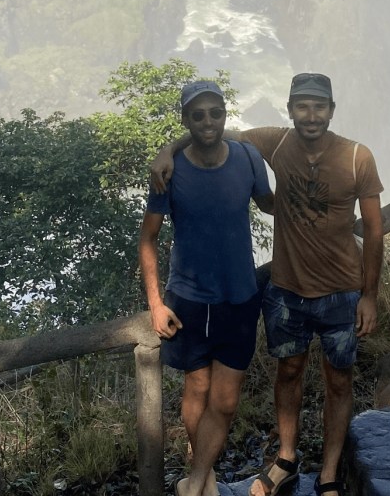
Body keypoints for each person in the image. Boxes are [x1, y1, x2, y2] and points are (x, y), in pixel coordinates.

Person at [150, 72, 384, 496]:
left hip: (342, 290)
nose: (310, 116)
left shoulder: (356, 157)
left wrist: (369, 294)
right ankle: (286, 459)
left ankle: (329, 472)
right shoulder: (274, 143)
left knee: (339, 380)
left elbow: (374, 228)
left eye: (319, 106)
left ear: (331, 109)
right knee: (288, 372)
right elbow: (211, 129)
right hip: (286, 292)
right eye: (302, 106)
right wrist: (169, 148)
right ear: (290, 109)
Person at [139, 80, 274, 496]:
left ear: (225, 114)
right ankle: (204, 480)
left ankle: (194, 481)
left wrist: (314, 193)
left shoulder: (248, 158)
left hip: (239, 296)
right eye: (198, 115)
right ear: (186, 120)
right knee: (196, 388)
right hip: (190, 299)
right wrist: (156, 305)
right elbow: (147, 238)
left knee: (227, 401)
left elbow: (272, 204)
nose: (208, 121)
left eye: (215, 112)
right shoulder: (170, 172)